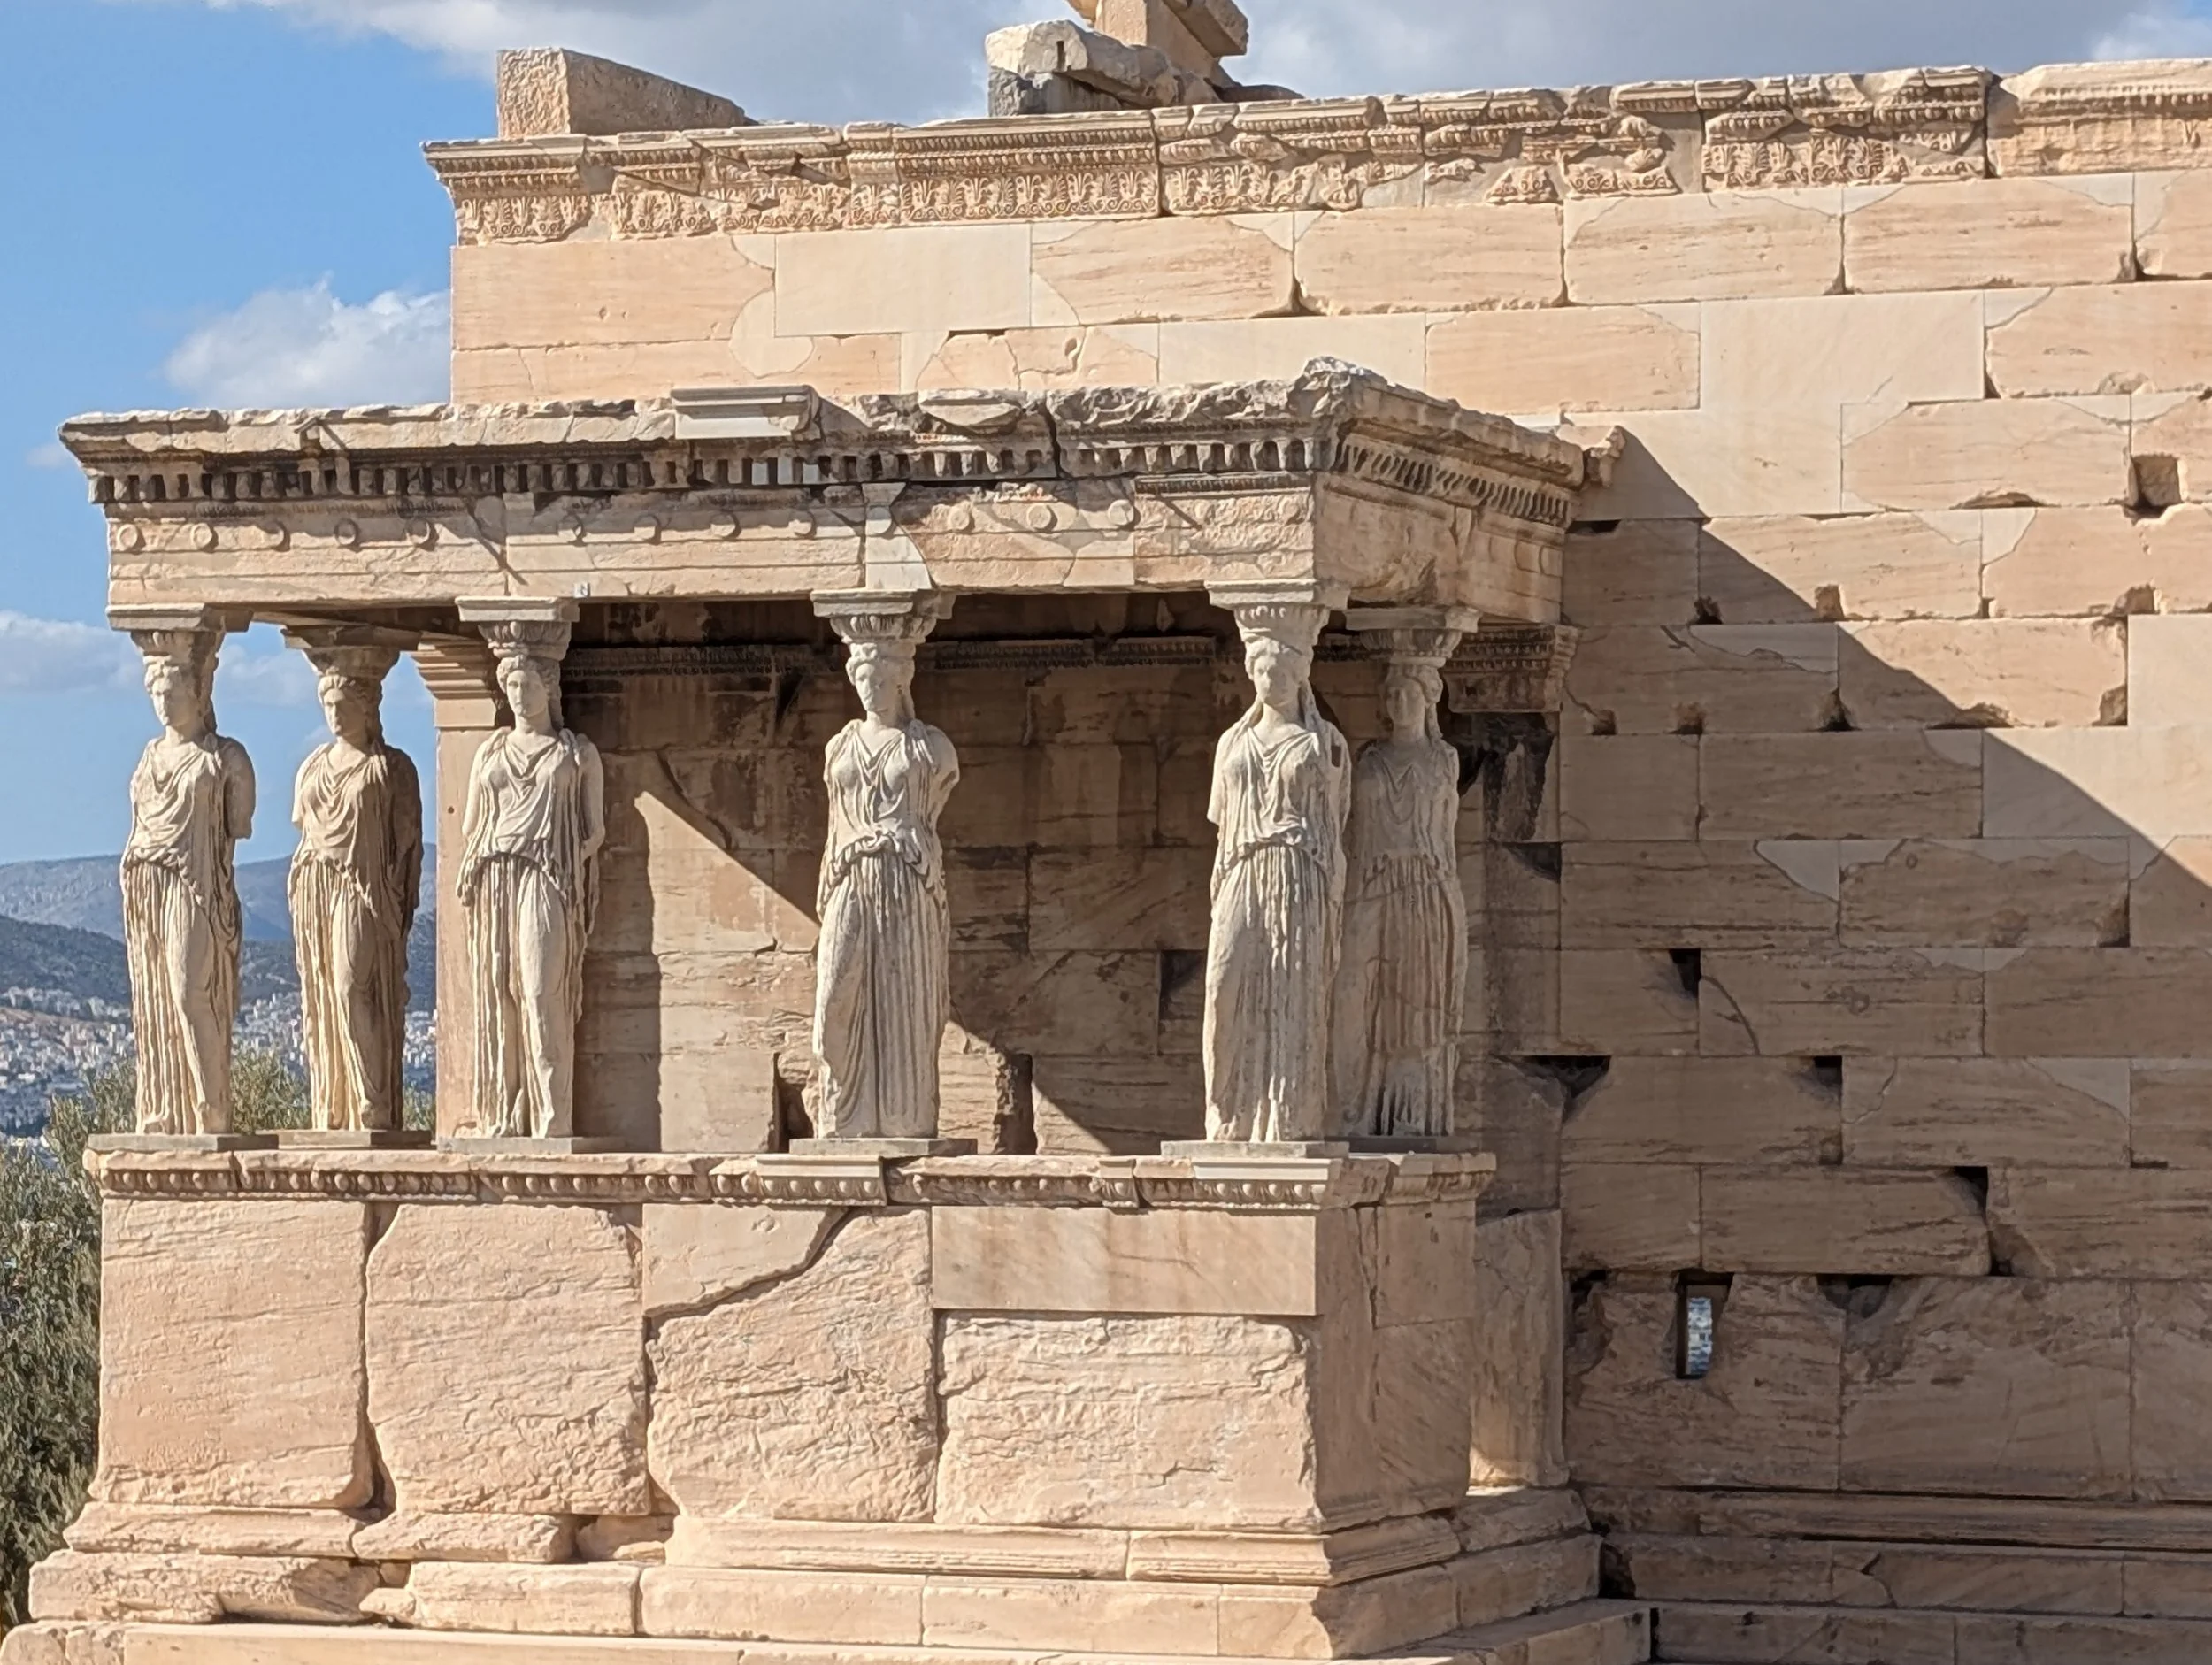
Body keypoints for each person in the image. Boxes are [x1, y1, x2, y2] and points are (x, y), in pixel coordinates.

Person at [1203, 611, 1349, 1144]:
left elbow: (1335, 821)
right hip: (1242, 867)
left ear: (1300, 672)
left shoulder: (1323, 744)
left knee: (1292, 990)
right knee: (1224, 982)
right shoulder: (1231, 743)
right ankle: (1227, 1112)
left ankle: (1286, 1117)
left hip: (1297, 870)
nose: (1272, 678)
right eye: (1263, 668)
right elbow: (1222, 823)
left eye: (1283, 668)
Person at [813, 633, 961, 1139]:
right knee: (836, 993)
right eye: (861, 680)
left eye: (879, 680)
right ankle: (844, 1114)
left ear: (900, 680)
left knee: (906, 1000)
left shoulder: (930, 747)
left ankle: (903, 1119)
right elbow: (835, 821)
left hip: (906, 876)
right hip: (849, 874)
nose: (869, 690)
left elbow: (932, 810)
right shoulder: (840, 746)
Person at [458, 633, 603, 1139]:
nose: (519, 696)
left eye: (528, 684)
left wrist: (560, 854)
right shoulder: (489, 752)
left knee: (541, 990)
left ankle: (552, 1116)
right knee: (499, 992)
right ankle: (505, 1113)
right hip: (497, 874)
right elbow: (470, 825)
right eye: (512, 686)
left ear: (548, 687)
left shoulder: (575, 754)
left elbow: (595, 831)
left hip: (547, 876)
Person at [121, 639, 255, 1135]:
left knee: (187, 991)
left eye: (172, 689)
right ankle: (166, 1109)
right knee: (155, 994)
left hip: (197, 885)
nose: (162, 700)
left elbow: (238, 825)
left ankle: (212, 1108)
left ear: (200, 691)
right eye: (155, 690)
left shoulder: (226, 759)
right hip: (147, 882)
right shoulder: (148, 757)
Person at [290, 649, 422, 1132]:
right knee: (326, 989)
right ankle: (341, 1104)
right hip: (317, 885)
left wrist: (398, 900)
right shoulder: (312, 767)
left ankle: (375, 1100)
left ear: (368, 707)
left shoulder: (389, 768)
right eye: (328, 705)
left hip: (365, 890)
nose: (334, 714)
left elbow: (407, 845)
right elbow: (304, 828)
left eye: (343, 704)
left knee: (351, 985)